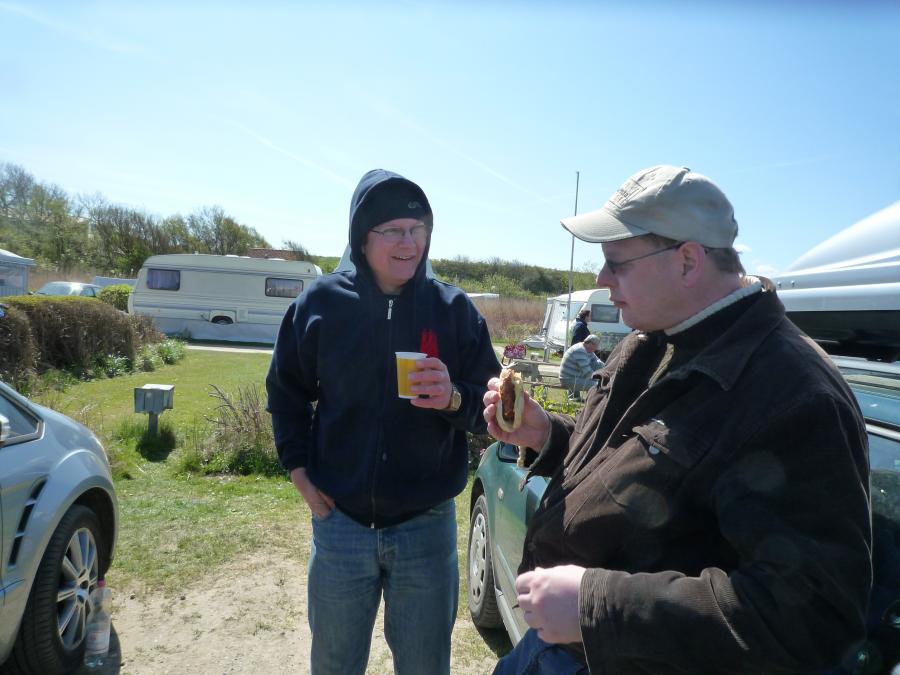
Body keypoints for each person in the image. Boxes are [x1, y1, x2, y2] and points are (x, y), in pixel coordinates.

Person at [483, 165, 871, 675]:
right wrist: (546, 435)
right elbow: (636, 471)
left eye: (615, 262)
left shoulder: (795, 395)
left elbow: (812, 615)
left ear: (687, 261)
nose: (602, 280)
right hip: (562, 651)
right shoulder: (654, 340)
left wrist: (595, 605)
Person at [266, 169, 500, 675]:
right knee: (334, 663)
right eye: (392, 230)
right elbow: (285, 393)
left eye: (418, 229)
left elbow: (490, 406)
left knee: (424, 666)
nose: (408, 242)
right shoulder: (321, 305)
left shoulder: (454, 311)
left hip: (426, 525)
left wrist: (454, 397)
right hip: (341, 523)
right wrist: (300, 474)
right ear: (361, 238)